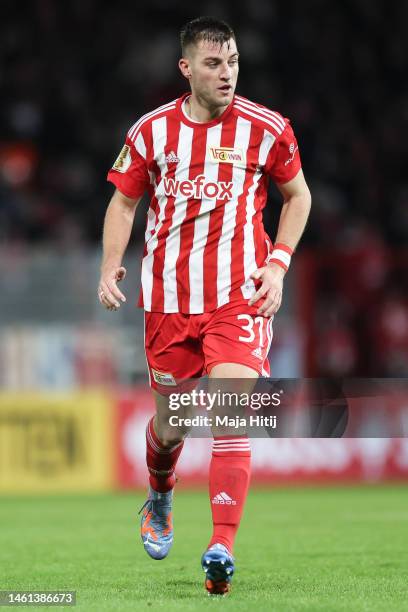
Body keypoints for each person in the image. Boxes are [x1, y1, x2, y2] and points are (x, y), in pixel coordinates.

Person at [98, 16, 311, 596]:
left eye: (234, 62)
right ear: (186, 68)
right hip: (168, 302)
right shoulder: (150, 132)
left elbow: (298, 197)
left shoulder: (268, 130)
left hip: (238, 298)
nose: (227, 73)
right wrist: (111, 263)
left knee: (231, 413)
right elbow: (122, 205)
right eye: (214, 64)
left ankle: (222, 544)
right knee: (171, 428)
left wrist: (279, 262)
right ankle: (160, 495)